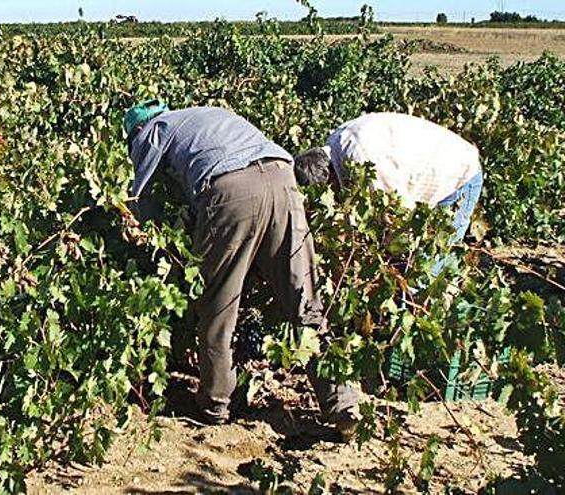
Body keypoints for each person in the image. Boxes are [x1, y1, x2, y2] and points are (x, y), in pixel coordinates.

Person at [124, 100, 360, 435]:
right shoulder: (204, 115)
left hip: (232, 189)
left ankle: (215, 404)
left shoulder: (151, 131)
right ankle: (342, 403)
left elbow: (143, 202)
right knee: (304, 300)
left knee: (217, 306)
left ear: (136, 130)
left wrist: (148, 239)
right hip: (282, 177)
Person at [293, 113, 484, 258]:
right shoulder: (336, 142)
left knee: (431, 266)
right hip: (439, 164)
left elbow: (402, 218)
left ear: (328, 179)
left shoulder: (366, 168)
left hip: (458, 177)